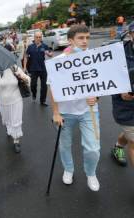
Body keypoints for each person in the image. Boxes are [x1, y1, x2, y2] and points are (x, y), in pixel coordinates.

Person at [50, 25, 101, 191]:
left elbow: (102, 84)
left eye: (87, 37)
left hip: (89, 110)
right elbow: (53, 89)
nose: (85, 41)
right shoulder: (58, 62)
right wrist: (56, 112)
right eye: (81, 38)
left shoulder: (94, 59)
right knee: (65, 145)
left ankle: (91, 173)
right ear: (71, 40)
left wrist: (97, 96)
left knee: (93, 148)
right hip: (65, 112)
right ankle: (68, 169)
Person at [0, 66, 30, 153]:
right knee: (7, 120)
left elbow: (27, 79)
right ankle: (9, 129)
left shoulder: (15, 68)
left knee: (16, 121)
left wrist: (22, 76)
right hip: (3, 102)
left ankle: (16, 141)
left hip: (16, 100)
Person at [111, 22, 134, 166]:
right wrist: (120, 90)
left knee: (131, 134)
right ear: (131, 35)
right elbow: (107, 77)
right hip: (126, 106)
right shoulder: (118, 53)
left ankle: (118, 146)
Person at [23, 31, 53, 106]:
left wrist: (48, 53)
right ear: (34, 38)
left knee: (44, 86)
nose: (38, 38)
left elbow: (51, 54)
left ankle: (42, 101)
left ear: (41, 37)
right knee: (33, 85)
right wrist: (24, 68)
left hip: (43, 69)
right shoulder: (30, 47)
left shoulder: (44, 46)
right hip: (33, 69)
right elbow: (26, 57)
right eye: (37, 37)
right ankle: (34, 94)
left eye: (40, 37)